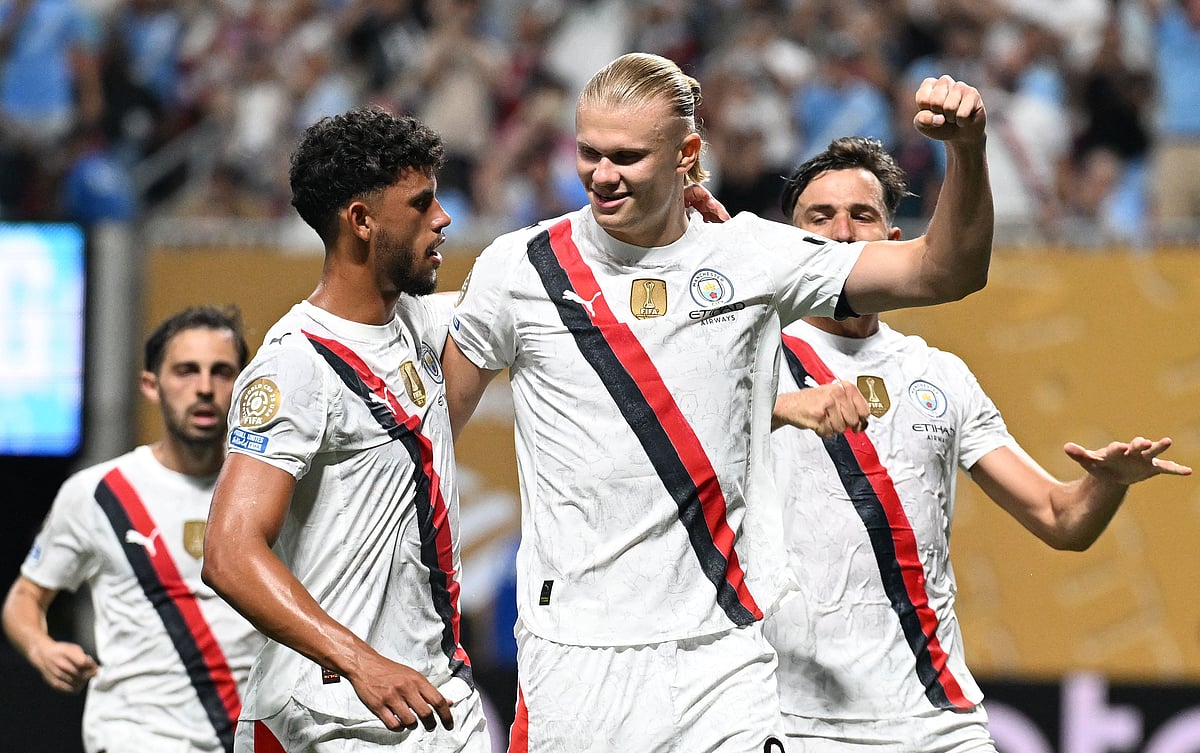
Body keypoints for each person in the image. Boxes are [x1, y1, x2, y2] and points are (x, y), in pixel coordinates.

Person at [442, 52, 993, 753]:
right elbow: (431, 440)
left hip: (721, 662)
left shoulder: (749, 257)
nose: (602, 175)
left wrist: (968, 151)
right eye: (588, 152)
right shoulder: (518, 269)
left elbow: (944, 270)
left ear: (686, 154)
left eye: (628, 156)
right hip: (574, 660)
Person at [765, 135, 1193, 752]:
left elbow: (1061, 518)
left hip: (936, 720)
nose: (842, 232)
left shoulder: (939, 375)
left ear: (893, 238)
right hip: (795, 720)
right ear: (791, 240)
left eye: (862, 216)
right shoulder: (748, 357)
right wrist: (781, 407)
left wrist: (1107, 483)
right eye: (820, 217)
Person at [200, 106, 489, 753]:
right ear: (360, 220)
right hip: (330, 718)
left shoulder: (420, 323)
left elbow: (537, 288)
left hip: (423, 701)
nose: (443, 219)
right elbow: (229, 551)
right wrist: (360, 660)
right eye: (420, 205)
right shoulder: (297, 363)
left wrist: (665, 211)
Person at [2, 305, 263, 753]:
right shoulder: (99, 492)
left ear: (244, 385)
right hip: (135, 737)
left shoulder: (270, 494)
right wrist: (42, 648)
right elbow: (25, 596)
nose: (204, 387)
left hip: (246, 737)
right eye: (186, 371)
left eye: (222, 372)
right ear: (150, 384)